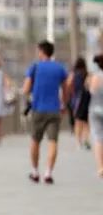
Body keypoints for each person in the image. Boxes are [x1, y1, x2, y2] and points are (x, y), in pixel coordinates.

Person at [22, 40, 68, 184]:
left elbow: (25, 89)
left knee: (35, 141)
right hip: (55, 110)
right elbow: (66, 88)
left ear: (41, 52)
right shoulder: (60, 68)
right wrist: (63, 103)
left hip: (38, 109)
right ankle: (48, 172)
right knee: (53, 141)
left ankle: (35, 172)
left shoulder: (34, 67)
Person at [66, 57, 91, 149]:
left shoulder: (73, 75)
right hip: (87, 99)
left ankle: (78, 142)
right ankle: (86, 139)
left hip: (77, 99)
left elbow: (68, 85)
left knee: (77, 121)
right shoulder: (88, 74)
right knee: (86, 121)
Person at [85, 55, 103, 177]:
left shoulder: (95, 76)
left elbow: (90, 90)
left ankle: (101, 167)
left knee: (98, 138)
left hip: (95, 109)